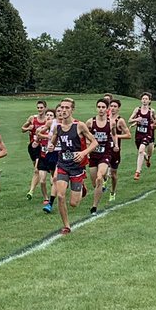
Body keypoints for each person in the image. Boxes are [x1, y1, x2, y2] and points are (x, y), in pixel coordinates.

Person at [51, 98, 98, 234]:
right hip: (63, 164)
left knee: (73, 203)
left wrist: (83, 153)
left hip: (77, 167)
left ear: (72, 110)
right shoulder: (58, 127)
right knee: (60, 196)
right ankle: (67, 226)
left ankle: (82, 187)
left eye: (67, 108)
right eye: (62, 107)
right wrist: (50, 146)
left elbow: (94, 143)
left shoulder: (79, 126)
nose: (64, 110)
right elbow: (53, 143)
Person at [87, 98, 115, 214]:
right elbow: (85, 136)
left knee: (99, 177)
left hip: (105, 154)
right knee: (95, 183)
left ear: (107, 109)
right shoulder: (90, 122)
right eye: (99, 107)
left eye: (103, 107)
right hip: (93, 155)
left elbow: (114, 134)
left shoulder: (111, 122)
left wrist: (115, 144)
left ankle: (94, 206)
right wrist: (87, 148)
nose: (101, 109)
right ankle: (102, 183)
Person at [21, 100, 47, 200]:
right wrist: (29, 128)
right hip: (33, 147)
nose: (39, 109)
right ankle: (43, 184)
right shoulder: (32, 118)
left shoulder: (48, 119)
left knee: (36, 169)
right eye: (38, 108)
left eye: (41, 107)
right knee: (37, 170)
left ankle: (31, 191)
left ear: (45, 108)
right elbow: (22, 129)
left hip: (43, 147)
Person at [107, 99, 131, 202]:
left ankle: (112, 191)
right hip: (105, 149)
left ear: (118, 108)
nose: (112, 108)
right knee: (102, 169)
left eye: (115, 106)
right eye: (111, 106)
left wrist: (116, 136)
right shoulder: (105, 119)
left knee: (113, 174)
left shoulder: (120, 121)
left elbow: (128, 135)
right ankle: (104, 180)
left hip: (115, 150)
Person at [130, 92, 155, 180]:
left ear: (149, 101)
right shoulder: (137, 110)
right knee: (141, 152)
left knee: (141, 150)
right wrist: (136, 120)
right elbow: (129, 120)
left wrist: (152, 120)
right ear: (141, 100)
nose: (144, 100)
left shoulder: (151, 111)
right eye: (143, 99)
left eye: (146, 99)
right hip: (138, 134)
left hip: (147, 134)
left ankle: (137, 172)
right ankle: (147, 158)